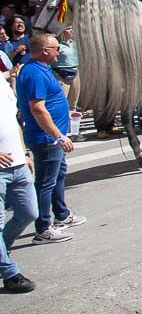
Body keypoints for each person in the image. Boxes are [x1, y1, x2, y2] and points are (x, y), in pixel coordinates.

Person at [15, 34, 84, 244]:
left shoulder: (42, 69)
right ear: (45, 50)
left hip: (53, 136)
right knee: (45, 183)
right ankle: (44, 229)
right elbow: (37, 108)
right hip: (46, 138)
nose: (59, 52)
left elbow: (49, 102)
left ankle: (61, 214)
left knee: (58, 175)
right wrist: (58, 135)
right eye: (56, 48)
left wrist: (66, 113)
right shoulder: (34, 73)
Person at [1, 53, 37, 291]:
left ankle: (2, 251)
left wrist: (24, 152)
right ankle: (9, 272)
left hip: (18, 164)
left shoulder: (3, 84)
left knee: (29, 213)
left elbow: (13, 122)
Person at [53, 25, 81, 109]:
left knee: (73, 101)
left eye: (72, 28)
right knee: (61, 100)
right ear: (62, 31)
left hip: (75, 72)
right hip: (61, 74)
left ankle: (72, 115)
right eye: (68, 29)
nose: (71, 30)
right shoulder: (57, 45)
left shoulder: (75, 43)